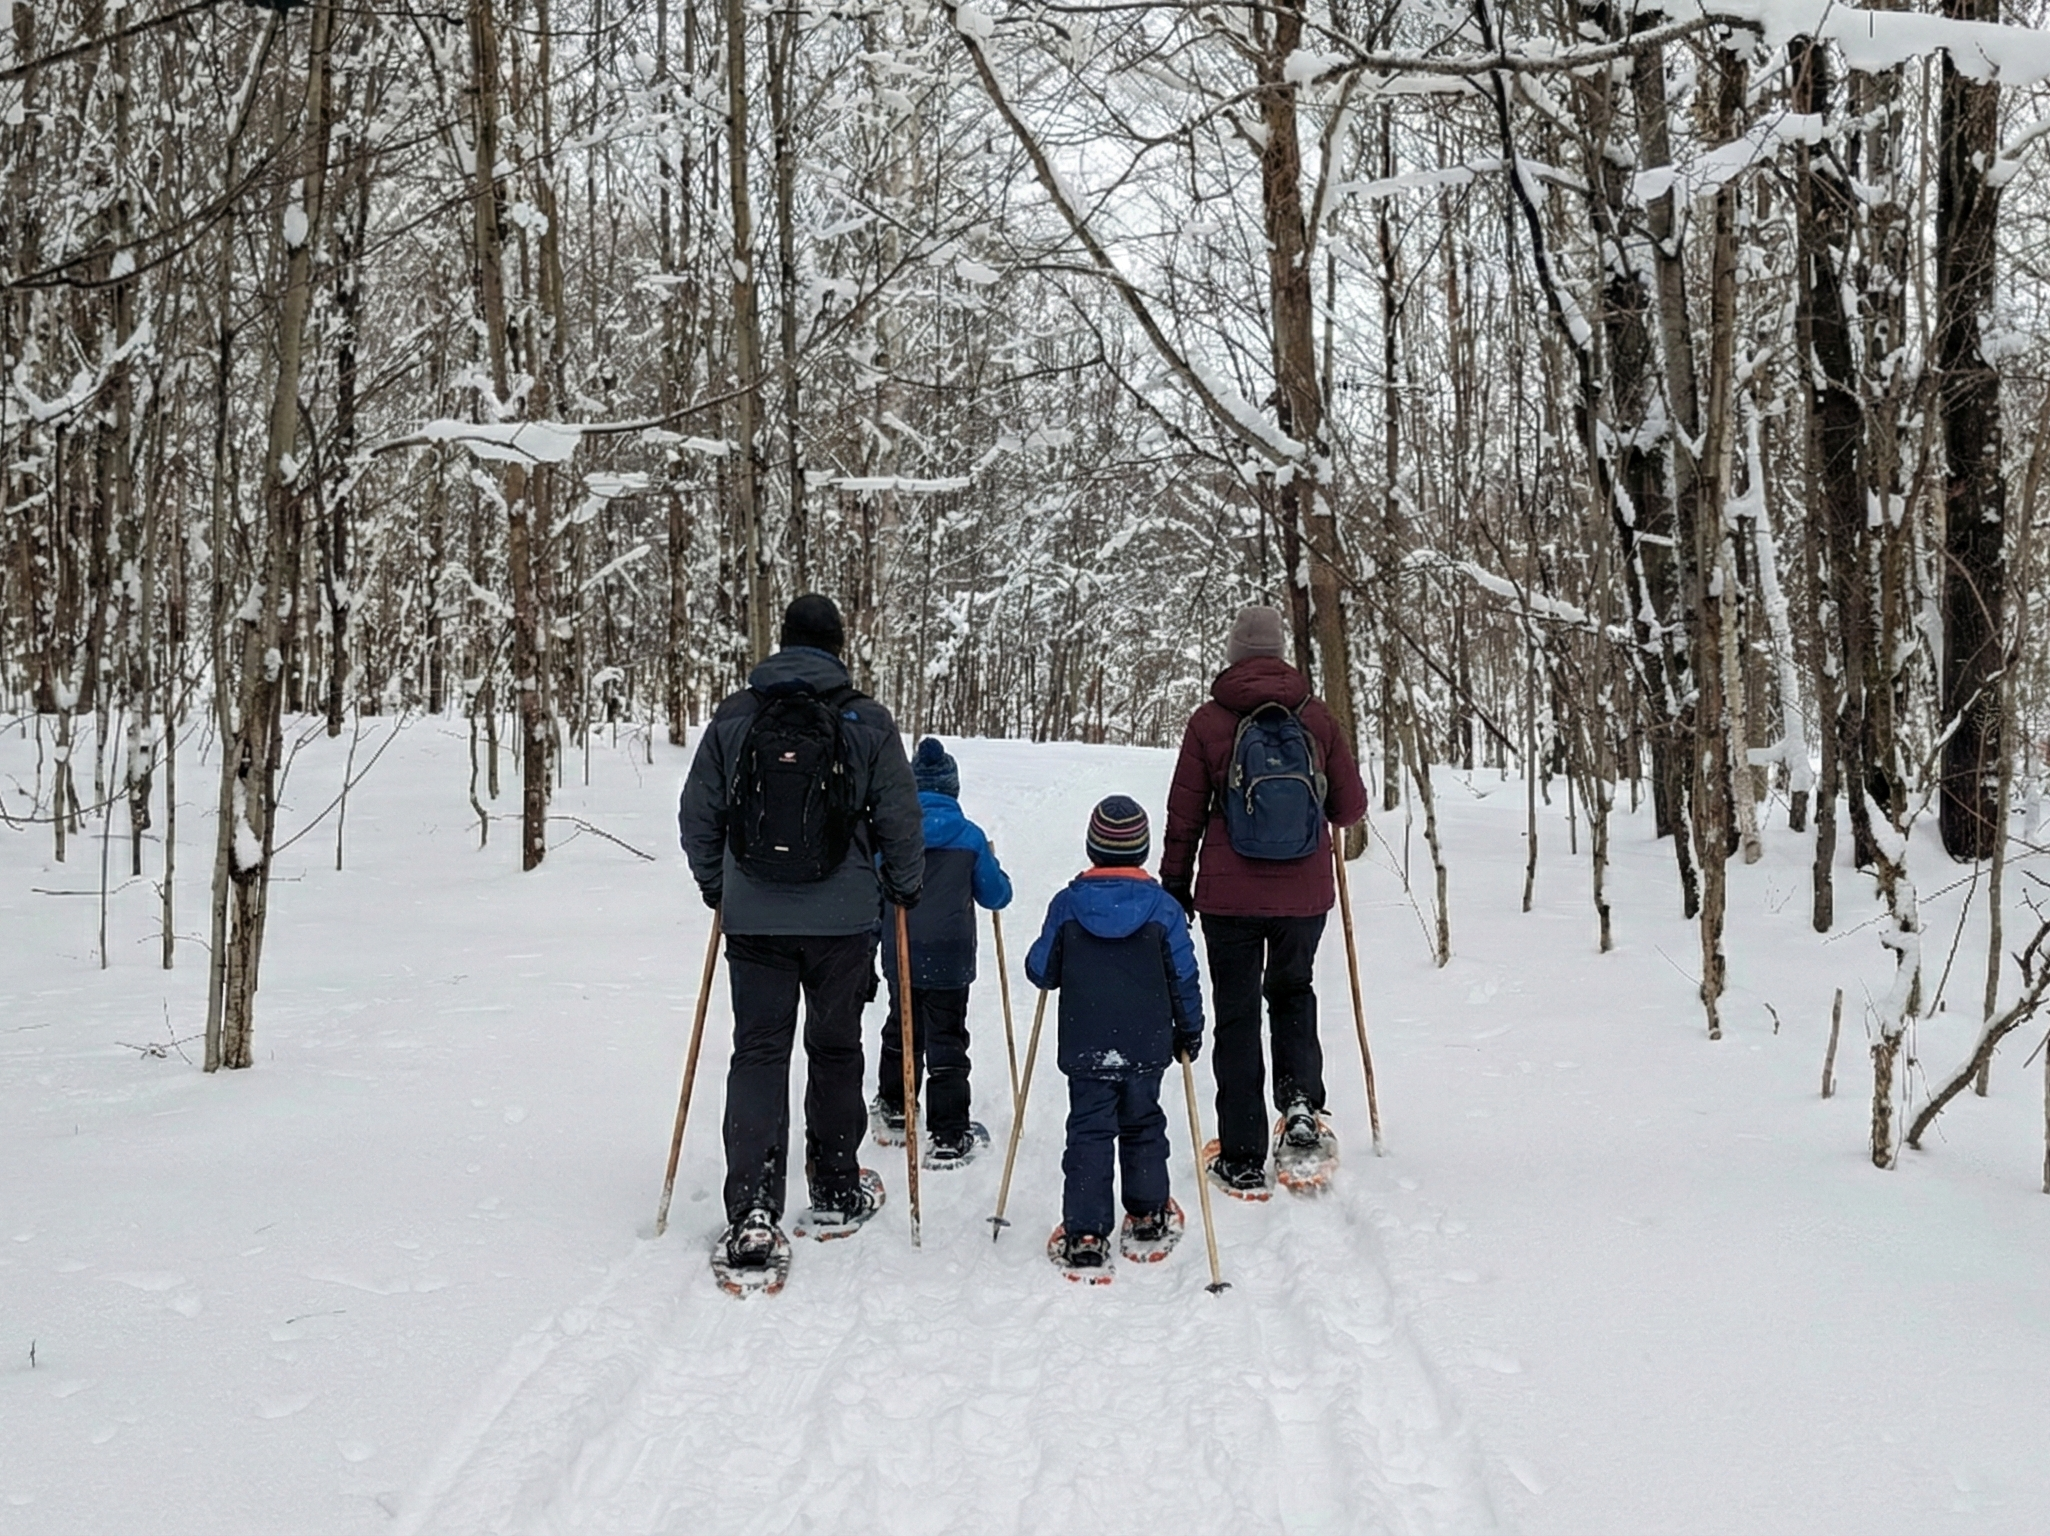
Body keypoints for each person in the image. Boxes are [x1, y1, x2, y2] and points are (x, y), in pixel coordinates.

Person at [679, 594, 924, 1284]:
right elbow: (901, 819)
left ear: (781, 643)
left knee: (758, 1051)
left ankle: (754, 1206)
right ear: (838, 647)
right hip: (843, 919)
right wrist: (903, 888)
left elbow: (697, 811)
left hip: (755, 917)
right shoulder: (866, 720)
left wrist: (719, 887)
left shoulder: (736, 715)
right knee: (835, 1046)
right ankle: (836, 1186)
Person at [1160, 604, 1367, 1195]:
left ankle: (1244, 1151)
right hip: (1304, 895)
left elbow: (1185, 815)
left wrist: (1176, 884)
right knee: (1293, 990)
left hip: (1228, 898)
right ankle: (1300, 1111)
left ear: (1232, 655)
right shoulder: (1317, 718)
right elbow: (1349, 808)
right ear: (1280, 654)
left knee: (1237, 1011)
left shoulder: (1207, 723)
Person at [1025, 796, 1204, 1276]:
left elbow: (1042, 970)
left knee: (1089, 1129)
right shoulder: (1164, 910)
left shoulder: (1067, 905)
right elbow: (1183, 977)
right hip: (1145, 1043)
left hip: (1086, 1043)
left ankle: (1085, 1232)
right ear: (1142, 850)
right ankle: (1147, 1214)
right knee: (1143, 1122)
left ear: (1092, 847)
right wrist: (1190, 1029)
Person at [874, 738, 1013, 1166]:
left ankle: (896, 1110)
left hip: (902, 950)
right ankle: (949, 1133)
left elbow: (874, 887)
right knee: (948, 1039)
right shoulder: (970, 838)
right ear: (952, 790)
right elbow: (997, 896)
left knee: (902, 1028)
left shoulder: (893, 836)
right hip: (951, 957)